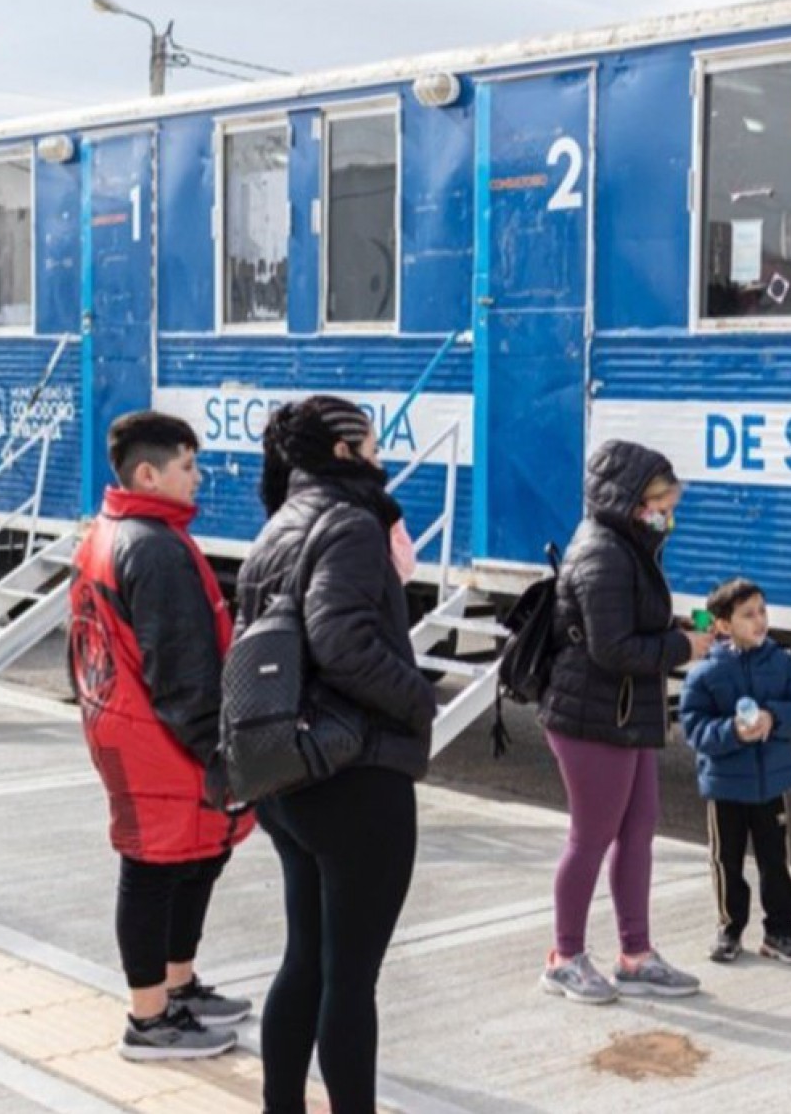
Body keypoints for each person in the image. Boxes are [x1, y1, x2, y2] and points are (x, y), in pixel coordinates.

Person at [233, 396, 438, 1114]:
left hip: (287, 773)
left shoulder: (279, 524)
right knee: (350, 980)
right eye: (374, 442)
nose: (384, 453)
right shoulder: (350, 523)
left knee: (307, 964)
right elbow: (341, 640)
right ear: (346, 451)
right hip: (353, 774)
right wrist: (418, 698)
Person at [68, 410, 254, 1061]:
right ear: (149, 472)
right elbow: (181, 668)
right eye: (188, 466)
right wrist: (219, 750)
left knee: (195, 857)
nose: (199, 478)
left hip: (126, 725)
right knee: (152, 869)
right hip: (157, 738)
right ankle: (148, 1020)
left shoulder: (113, 531)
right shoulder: (152, 546)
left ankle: (177, 987)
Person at [538, 439, 712, 1003]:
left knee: (638, 829)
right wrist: (681, 647)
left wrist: (676, 634)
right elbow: (611, 648)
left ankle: (635, 955)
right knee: (590, 837)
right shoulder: (603, 552)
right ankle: (565, 957)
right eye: (660, 502)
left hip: (624, 711)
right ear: (632, 500)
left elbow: (630, 629)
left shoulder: (628, 546)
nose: (667, 513)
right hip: (591, 715)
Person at [679, 577, 791, 965]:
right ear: (723, 625)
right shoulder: (706, 672)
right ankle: (729, 928)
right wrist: (733, 732)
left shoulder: (781, 661)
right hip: (725, 788)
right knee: (727, 860)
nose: (760, 621)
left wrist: (774, 718)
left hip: (770, 785)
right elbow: (693, 727)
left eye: (762, 611)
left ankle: (780, 932)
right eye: (747, 615)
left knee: (775, 861)